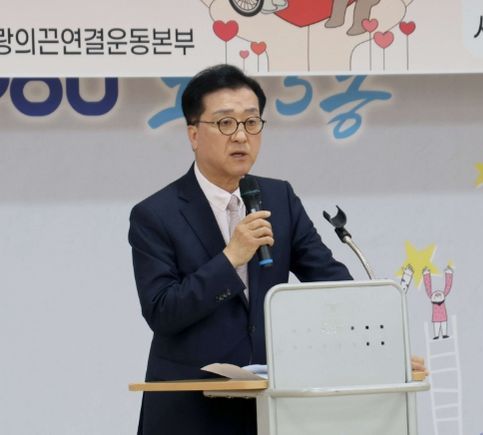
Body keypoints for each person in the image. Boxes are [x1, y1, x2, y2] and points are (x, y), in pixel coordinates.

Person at [128, 64, 355, 435]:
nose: (240, 136)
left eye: (251, 122)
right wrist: (230, 258)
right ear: (193, 134)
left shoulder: (278, 198)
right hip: (190, 409)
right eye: (225, 123)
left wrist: (380, 347)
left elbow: (330, 281)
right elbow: (162, 311)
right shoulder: (156, 214)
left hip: (269, 405)